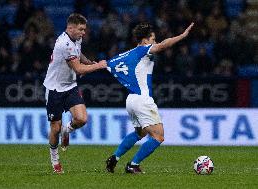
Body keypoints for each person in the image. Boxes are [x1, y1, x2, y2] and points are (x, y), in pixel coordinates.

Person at [105, 22, 194, 174]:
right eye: (153, 39)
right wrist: (182, 36)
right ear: (145, 40)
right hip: (142, 100)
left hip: (131, 99)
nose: (155, 42)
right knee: (158, 136)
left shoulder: (126, 54)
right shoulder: (143, 50)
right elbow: (162, 46)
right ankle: (133, 165)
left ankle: (115, 157)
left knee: (140, 133)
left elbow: (104, 64)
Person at [43, 13, 107, 174]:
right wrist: (98, 66)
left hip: (70, 86)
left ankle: (68, 129)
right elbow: (78, 69)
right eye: (80, 29)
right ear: (70, 27)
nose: (83, 33)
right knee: (55, 128)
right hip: (54, 89)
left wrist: (89, 63)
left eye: (84, 29)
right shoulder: (64, 43)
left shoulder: (76, 39)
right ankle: (55, 160)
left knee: (82, 118)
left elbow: (79, 56)